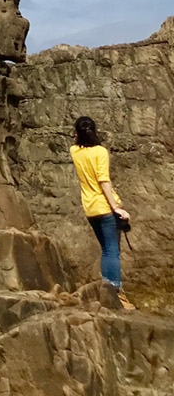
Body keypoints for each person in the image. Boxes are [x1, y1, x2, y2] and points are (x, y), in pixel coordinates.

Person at [70, 115, 134, 309]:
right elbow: (103, 181)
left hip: (90, 209)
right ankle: (116, 293)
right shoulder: (100, 152)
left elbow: (77, 144)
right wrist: (117, 208)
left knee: (106, 250)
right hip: (105, 208)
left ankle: (108, 290)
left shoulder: (74, 151)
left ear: (77, 134)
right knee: (112, 251)